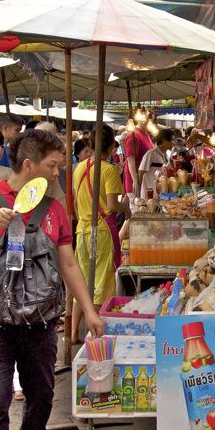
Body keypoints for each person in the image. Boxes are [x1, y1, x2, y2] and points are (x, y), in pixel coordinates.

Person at [0, 129, 104, 430]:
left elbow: (69, 263)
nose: (57, 173)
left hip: (41, 321)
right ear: (29, 164)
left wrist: (89, 310)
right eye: (52, 166)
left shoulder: (54, 209)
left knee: (41, 392)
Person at [72, 125, 129, 343]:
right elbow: (113, 205)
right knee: (100, 286)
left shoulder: (80, 167)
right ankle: (94, 335)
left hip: (82, 231)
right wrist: (127, 209)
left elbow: (76, 204)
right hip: (102, 233)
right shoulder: (109, 170)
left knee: (82, 283)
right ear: (111, 145)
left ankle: (73, 333)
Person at [123, 115, 154, 197]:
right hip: (136, 181)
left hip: (145, 180)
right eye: (149, 117)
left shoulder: (146, 134)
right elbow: (130, 159)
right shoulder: (134, 135)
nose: (151, 119)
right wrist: (135, 180)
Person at [138, 128, 174, 199]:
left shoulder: (166, 156)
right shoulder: (150, 154)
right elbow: (141, 172)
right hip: (150, 195)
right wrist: (139, 192)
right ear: (164, 140)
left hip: (161, 195)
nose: (174, 143)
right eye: (172, 140)